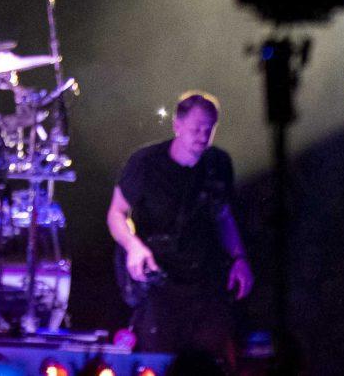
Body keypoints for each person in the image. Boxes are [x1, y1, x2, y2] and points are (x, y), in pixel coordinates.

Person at [108, 93, 254, 369]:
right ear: (177, 125)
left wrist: (239, 258)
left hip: (203, 282)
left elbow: (223, 214)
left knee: (208, 361)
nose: (203, 135)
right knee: (158, 361)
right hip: (158, 280)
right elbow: (116, 213)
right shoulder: (145, 163)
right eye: (196, 128)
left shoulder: (218, 164)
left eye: (209, 129)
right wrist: (133, 246)